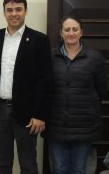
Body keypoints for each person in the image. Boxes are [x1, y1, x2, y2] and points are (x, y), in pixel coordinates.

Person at [0, 0, 53, 174]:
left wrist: (40, 114)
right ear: (4, 12)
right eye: (9, 10)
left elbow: (44, 80)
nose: (14, 13)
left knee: (28, 163)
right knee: (2, 162)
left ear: (25, 11)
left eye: (18, 9)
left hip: (27, 113)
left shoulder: (39, 39)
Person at [46, 14, 107, 174]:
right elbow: (44, 89)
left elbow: (101, 91)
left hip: (84, 127)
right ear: (61, 33)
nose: (71, 33)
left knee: (80, 170)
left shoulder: (95, 58)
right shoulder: (50, 57)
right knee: (59, 169)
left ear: (81, 32)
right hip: (56, 125)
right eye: (67, 29)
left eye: (75, 29)